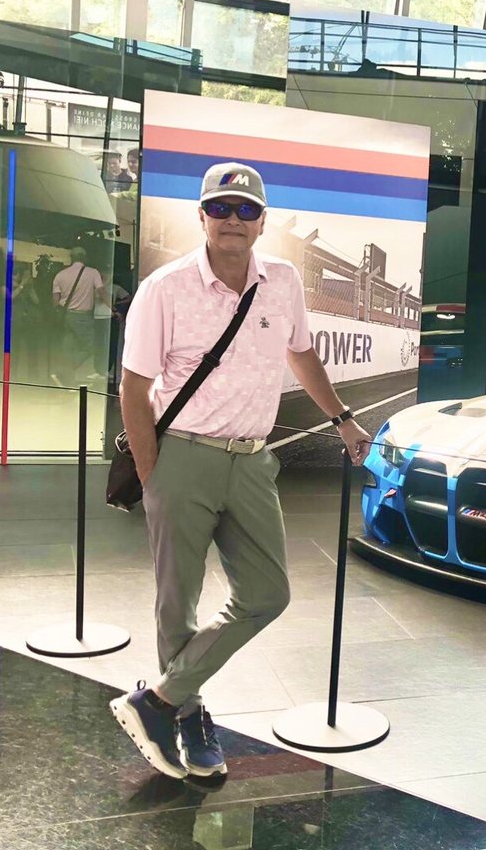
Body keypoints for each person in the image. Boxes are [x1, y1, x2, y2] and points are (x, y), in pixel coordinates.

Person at [110, 162, 372, 781]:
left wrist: (342, 418)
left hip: (253, 461)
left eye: (246, 209)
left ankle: (159, 700)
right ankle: (188, 716)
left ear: (262, 221)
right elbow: (134, 387)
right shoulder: (165, 288)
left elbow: (301, 355)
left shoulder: (283, 282)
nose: (233, 219)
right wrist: (153, 473)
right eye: (221, 208)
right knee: (177, 602)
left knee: (267, 593)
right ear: (201, 216)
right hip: (183, 457)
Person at [50, 247, 108, 387]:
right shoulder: (93, 273)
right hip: (83, 317)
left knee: (69, 348)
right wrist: (115, 309)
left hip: (66, 315)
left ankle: (67, 380)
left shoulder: (60, 275)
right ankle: (62, 373)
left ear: (72, 257)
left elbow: (55, 301)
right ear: (84, 257)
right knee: (89, 347)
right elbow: (102, 293)